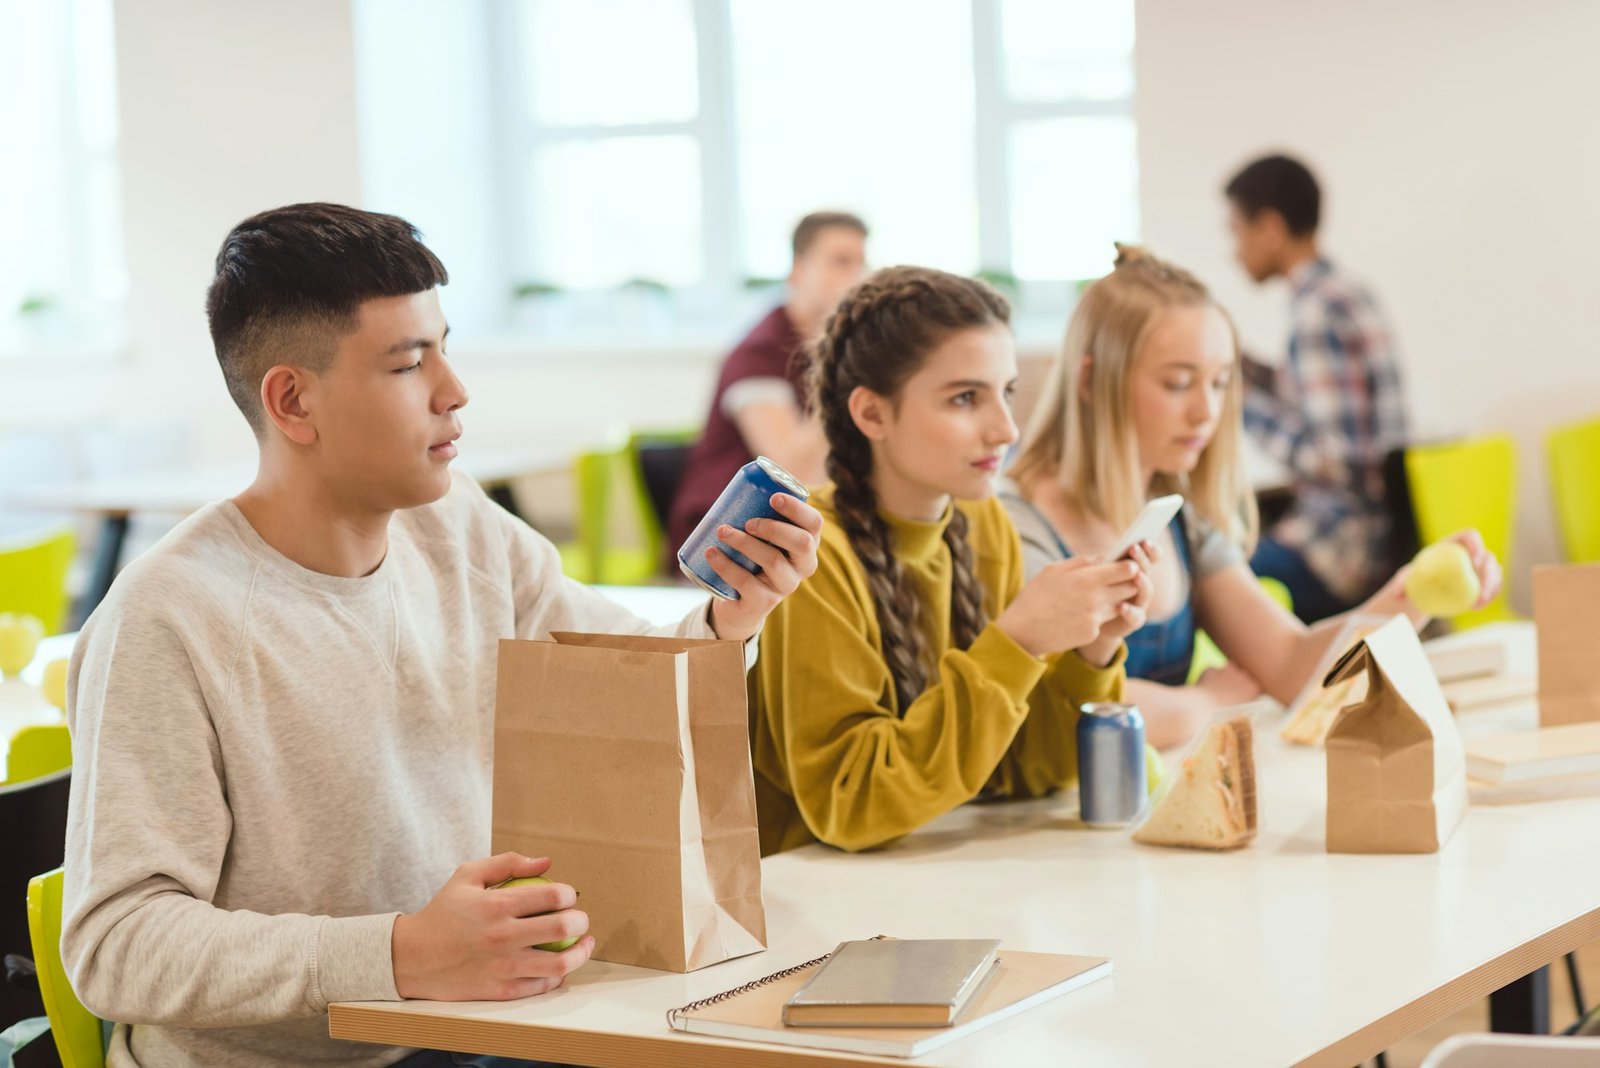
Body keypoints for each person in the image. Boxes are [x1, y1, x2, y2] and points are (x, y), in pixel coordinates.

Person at [61, 203, 822, 1068]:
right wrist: (399, 955)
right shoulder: (165, 617)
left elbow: (621, 674)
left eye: (445, 346)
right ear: (292, 400)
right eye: (408, 363)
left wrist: (732, 618)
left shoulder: (460, 524)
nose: (454, 390)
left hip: (475, 1033)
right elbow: (115, 946)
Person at [1003, 245, 1500, 748]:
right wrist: (1204, 704)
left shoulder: (1182, 521)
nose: (1207, 411)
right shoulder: (1016, 526)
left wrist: (1413, 592)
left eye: (1220, 383)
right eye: (1178, 383)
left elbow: (1295, 669)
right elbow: (1061, 712)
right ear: (1090, 379)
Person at [748, 266, 1155, 856]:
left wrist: (1087, 654)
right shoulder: (811, 557)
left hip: (944, 880)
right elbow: (851, 803)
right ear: (872, 415)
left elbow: (1028, 774)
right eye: (966, 398)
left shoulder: (984, 523)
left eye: (1007, 392)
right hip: (815, 905)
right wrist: (1016, 643)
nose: (1006, 429)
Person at [1224, 153, 1409, 621]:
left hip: (1343, 552)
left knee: (1218, 579)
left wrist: (1239, 401)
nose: (1234, 250)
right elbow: (1318, 404)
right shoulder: (1347, 293)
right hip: (1380, 537)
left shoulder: (1316, 316)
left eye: (1237, 232)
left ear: (1269, 226)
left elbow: (1340, 463)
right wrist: (1244, 367)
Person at [668, 211, 867, 555]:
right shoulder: (757, 356)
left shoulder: (828, 347)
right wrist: (843, 372)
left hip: (789, 531)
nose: (857, 278)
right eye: (840, 262)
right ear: (798, 270)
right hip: (723, 543)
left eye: (861, 263)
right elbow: (797, 470)